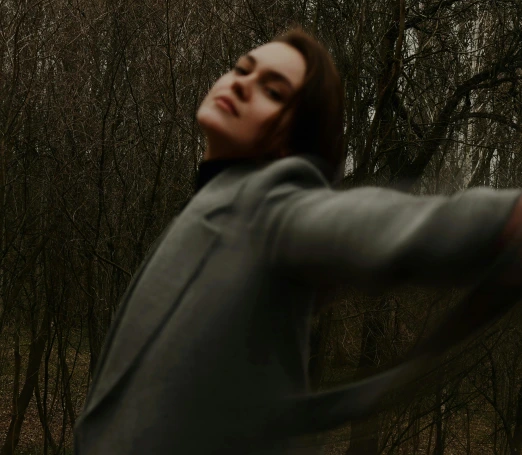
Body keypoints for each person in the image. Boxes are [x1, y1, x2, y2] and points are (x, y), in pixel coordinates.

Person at [74, 27, 522, 455]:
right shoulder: (210, 206)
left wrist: (499, 219)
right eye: (242, 69)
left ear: (291, 145)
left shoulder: (268, 202)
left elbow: (371, 221)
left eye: (273, 91)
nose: (242, 84)